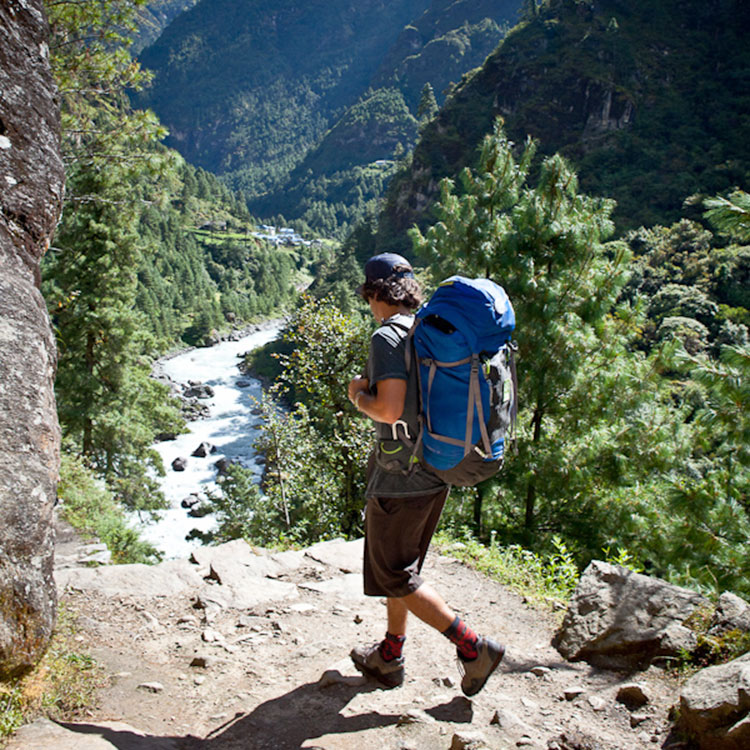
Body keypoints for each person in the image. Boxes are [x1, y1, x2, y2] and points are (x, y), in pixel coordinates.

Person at [347, 252, 505, 697]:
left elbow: (390, 409)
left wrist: (359, 395)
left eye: (368, 294)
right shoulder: (427, 331)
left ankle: (473, 647)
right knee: (402, 568)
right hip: (436, 465)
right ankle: (390, 653)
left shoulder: (387, 336)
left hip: (401, 476)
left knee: (394, 573)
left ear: (375, 292)